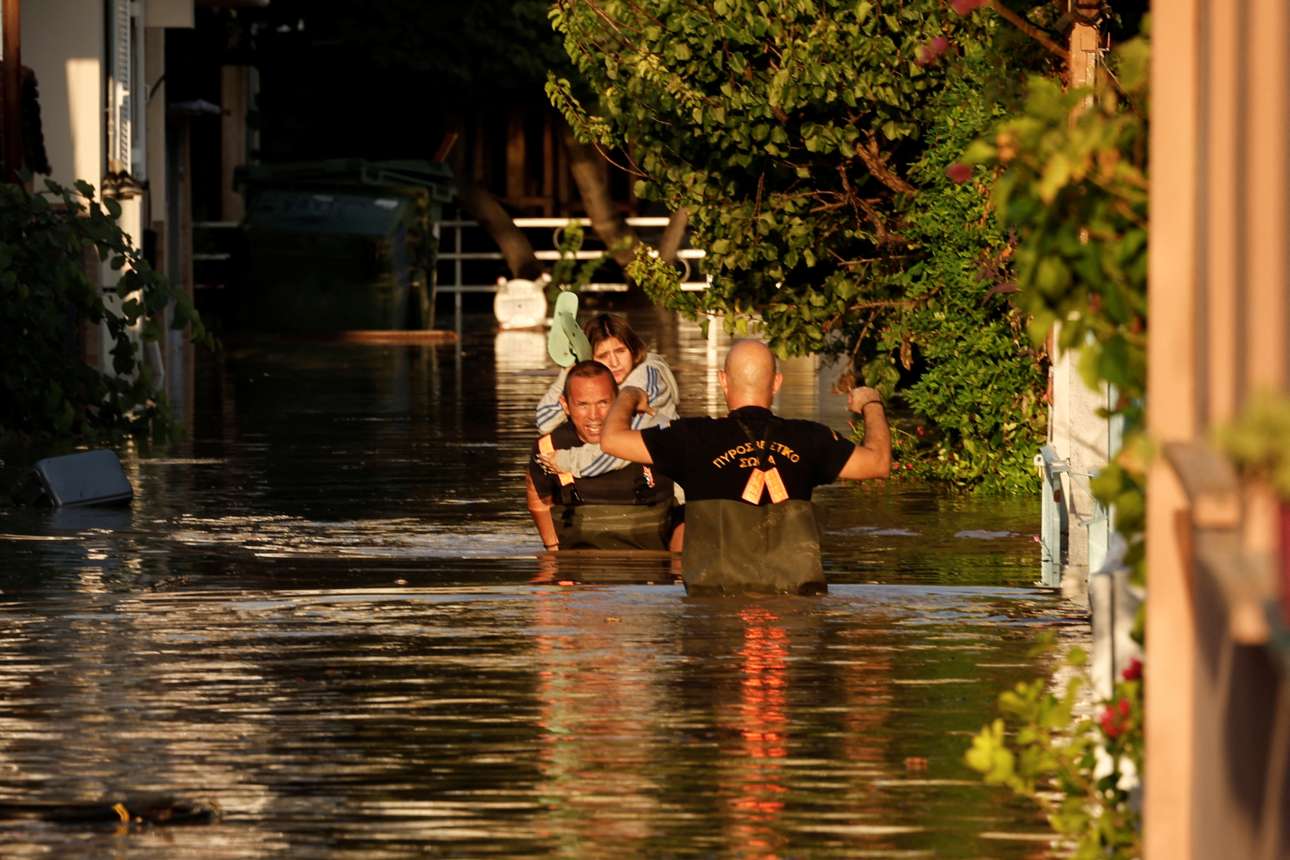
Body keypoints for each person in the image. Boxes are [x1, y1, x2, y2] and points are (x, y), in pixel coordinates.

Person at [599, 339, 890, 594]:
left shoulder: (690, 437)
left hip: (715, 611)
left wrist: (629, 395)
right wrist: (872, 402)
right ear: (777, 382)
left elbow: (611, 440)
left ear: (723, 381)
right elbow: (878, 463)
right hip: (795, 613)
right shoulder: (811, 438)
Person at [526, 360, 677, 552]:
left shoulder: (650, 437)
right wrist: (552, 551)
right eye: (582, 405)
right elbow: (539, 501)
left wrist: (678, 564)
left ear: (619, 401)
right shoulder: (548, 447)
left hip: (649, 567)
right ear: (565, 405)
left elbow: (685, 506)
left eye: (603, 403)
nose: (594, 416)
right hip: (579, 571)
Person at [535, 313, 679, 478]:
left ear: (632, 350)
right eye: (603, 356)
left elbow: (621, 446)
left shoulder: (646, 378)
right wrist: (572, 368)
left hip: (672, 488)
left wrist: (564, 461)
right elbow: (545, 421)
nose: (614, 363)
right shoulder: (601, 381)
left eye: (620, 351)